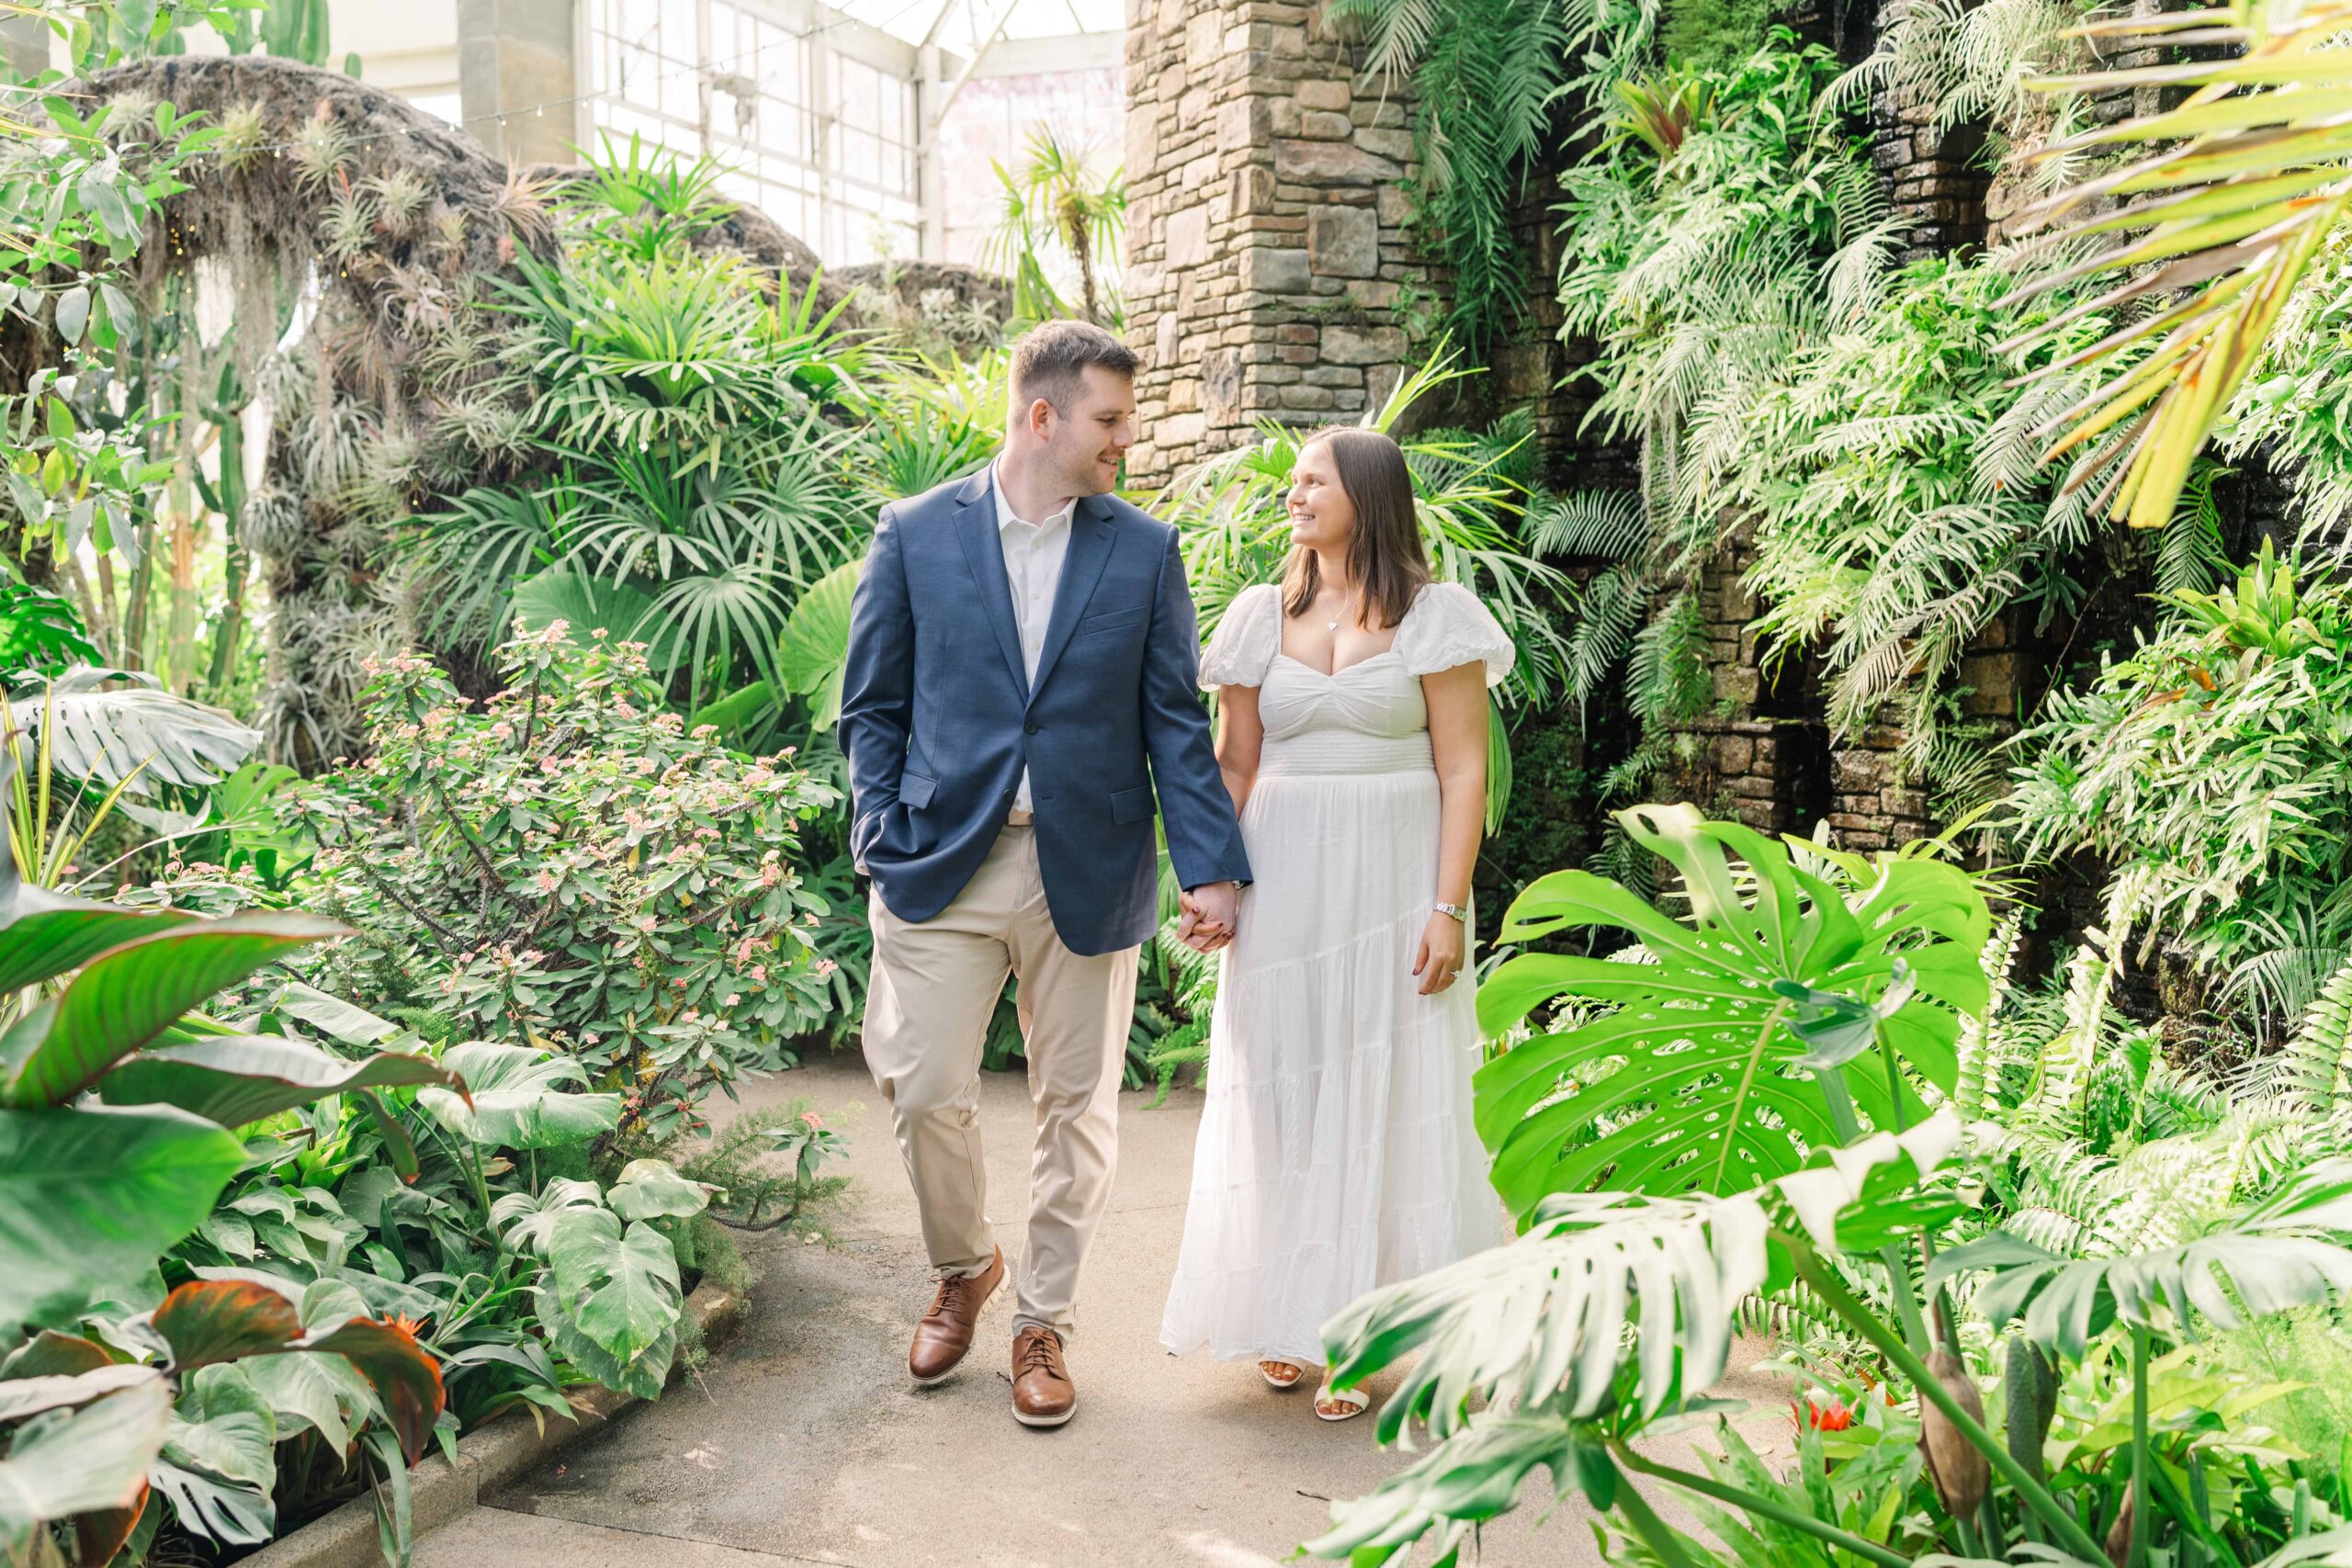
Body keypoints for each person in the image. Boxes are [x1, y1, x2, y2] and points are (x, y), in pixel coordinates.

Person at [838, 320, 1251, 1430]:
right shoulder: (916, 534)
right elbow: (871, 707)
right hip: (939, 860)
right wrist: (879, 832)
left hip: (1092, 859)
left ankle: (1042, 1323)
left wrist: (1210, 867)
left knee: (1077, 1107)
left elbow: (1173, 720)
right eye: (1111, 420)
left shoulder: (1142, 549)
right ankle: (964, 1266)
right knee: (920, 1084)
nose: (1126, 438)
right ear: (1043, 417)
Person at [1159, 427, 1511, 1420]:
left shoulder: (1436, 618)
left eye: (1313, 479)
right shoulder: (1257, 617)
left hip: (1397, 881)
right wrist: (1208, 879)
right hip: (1283, 882)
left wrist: (1447, 908)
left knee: (1383, 1084)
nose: (1294, 493)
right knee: (1283, 1092)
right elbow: (1233, 765)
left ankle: (1368, 1331)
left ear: (1367, 493)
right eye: (1294, 480)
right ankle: (1286, 1313)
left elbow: (1462, 770)